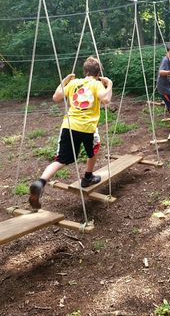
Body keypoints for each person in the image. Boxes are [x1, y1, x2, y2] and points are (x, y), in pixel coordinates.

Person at [29, 56, 113, 209]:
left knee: (61, 159)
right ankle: (88, 176)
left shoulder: (73, 83)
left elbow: (56, 97)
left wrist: (65, 80)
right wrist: (109, 85)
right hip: (87, 127)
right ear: (98, 73)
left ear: (85, 71)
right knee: (94, 148)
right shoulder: (97, 84)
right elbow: (106, 99)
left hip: (69, 126)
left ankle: (40, 182)